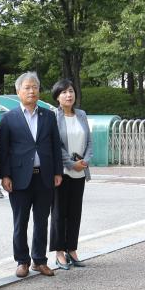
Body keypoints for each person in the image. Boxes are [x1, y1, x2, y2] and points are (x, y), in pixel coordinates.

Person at [0, 72, 62, 278]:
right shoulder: (8, 118)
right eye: (27, 87)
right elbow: (3, 149)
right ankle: (22, 261)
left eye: (34, 87)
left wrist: (58, 171)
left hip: (44, 176)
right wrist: (5, 175)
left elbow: (55, 146)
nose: (31, 90)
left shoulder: (49, 115)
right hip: (19, 178)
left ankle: (39, 261)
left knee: (42, 220)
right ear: (18, 92)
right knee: (20, 221)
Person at [49, 79, 92, 270]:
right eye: (64, 92)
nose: (69, 95)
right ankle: (59, 252)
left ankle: (72, 249)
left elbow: (89, 141)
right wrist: (71, 163)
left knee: (75, 212)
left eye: (71, 91)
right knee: (59, 213)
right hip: (62, 172)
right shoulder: (53, 117)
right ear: (57, 96)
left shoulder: (81, 114)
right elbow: (55, 145)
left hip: (80, 171)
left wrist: (85, 161)